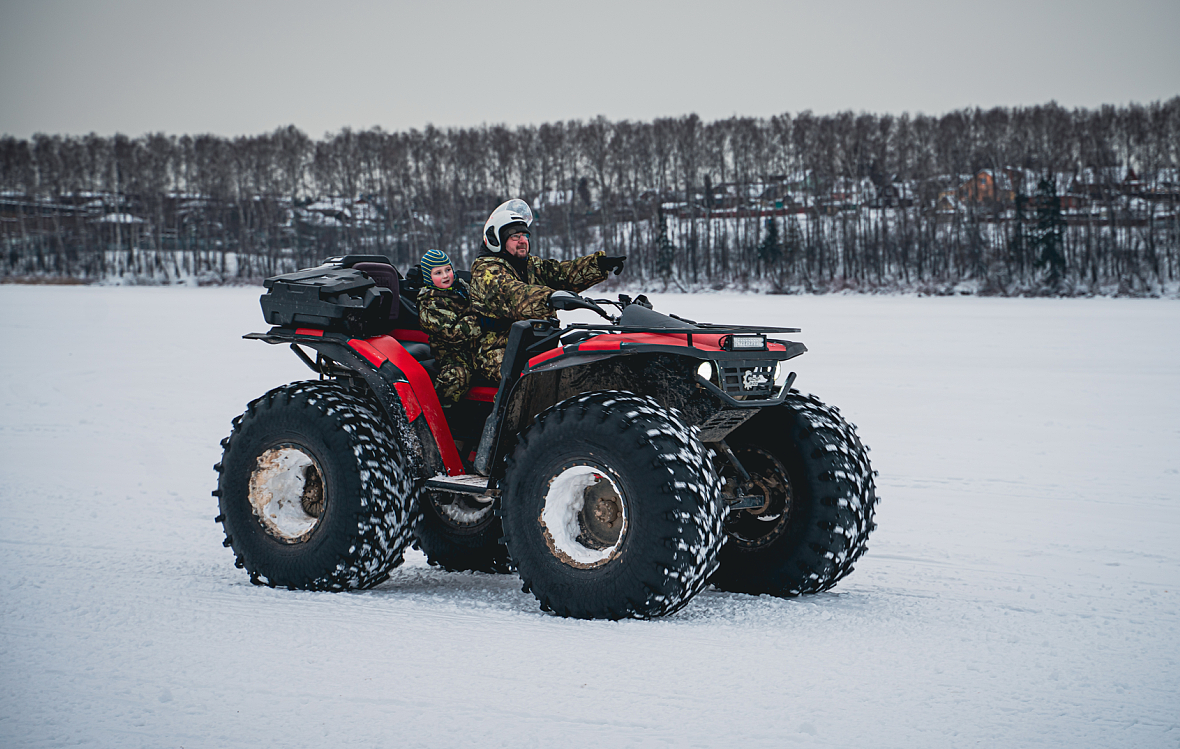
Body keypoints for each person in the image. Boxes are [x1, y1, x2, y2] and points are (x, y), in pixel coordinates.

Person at [469, 199, 626, 381]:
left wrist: (597, 265)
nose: (522, 241)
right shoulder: (486, 270)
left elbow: (560, 273)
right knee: (528, 380)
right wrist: (549, 297)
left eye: (525, 235)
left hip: (534, 342)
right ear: (497, 239)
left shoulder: (529, 265)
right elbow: (514, 295)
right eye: (515, 236)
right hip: (496, 348)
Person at [416, 248, 491, 406]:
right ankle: (441, 410)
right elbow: (453, 333)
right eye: (438, 273)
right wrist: (480, 319)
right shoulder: (429, 304)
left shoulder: (461, 287)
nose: (445, 276)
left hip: (476, 344)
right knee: (457, 377)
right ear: (428, 277)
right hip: (451, 352)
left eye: (448, 270)